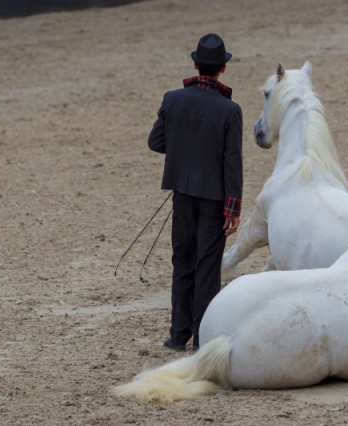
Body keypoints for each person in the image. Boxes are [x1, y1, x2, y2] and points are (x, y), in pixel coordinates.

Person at [148, 33, 243, 351]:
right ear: (222, 70)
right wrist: (234, 208)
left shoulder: (172, 99)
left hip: (183, 195)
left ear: (195, 64)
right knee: (207, 267)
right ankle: (203, 337)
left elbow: (156, 142)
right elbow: (232, 164)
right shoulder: (230, 110)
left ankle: (178, 334)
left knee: (183, 261)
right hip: (215, 200)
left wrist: (184, 151)